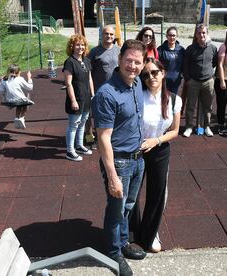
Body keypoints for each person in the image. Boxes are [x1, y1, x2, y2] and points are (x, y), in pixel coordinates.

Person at [91, 39, 147, 276]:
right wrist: (112, 175)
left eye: (137, 62)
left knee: (129, 206)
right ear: (119, 59)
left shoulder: (137, 84)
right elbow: (103, 138)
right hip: (120, 162)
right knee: (116, 210)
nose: (132, 66)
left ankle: (123, 243)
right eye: (128, 61)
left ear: (143, 65)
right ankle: (113, 253)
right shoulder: (107, 93)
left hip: (138, 158)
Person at [130, 58, 181, 253]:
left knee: (157, 193)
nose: (150, 77)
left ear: (163, 73)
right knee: (132, 193)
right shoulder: (138, 96)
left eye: (154, 73)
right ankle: (132, 233)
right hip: (137, 148)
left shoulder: (174, 99)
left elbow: (175, 130)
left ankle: (151, 232)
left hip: (159, 149)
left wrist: (156, 141)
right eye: (146, 75)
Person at [86, 25, 120, 149]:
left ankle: (111, 138)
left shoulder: (119, 50)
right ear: (102, 35)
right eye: (107, 34)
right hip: (99, 90)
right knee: (98, 116)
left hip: (116, 89)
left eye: (111, 34)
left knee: (114, 115)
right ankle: (95, 138)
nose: (109, 36)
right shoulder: (95, 52)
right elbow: (87, 69)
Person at [182, 23, 218, 137]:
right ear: (196, 35)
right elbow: (185, 65)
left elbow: (215, 62)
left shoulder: (213, 48)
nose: (201, 35)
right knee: (190, 106)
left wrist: (209, 74)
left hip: (208, 81)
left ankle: (207, 126)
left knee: (208, 106)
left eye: (204, 32)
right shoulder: (190, 49)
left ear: (207, 34)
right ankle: (189, 127)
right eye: (199, 33)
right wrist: (188, 79)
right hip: (193, 82)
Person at [63, 34, 94, 162]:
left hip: (86, 98)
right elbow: (68, 83)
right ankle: (70, 151)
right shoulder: (69, 62)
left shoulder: (86, 60)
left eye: (82, 45)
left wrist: (93, 95)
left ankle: (79, 145)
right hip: (76, 99)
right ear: (72, 46)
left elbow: (90, 78)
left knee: (82, 123)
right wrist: (73, 100)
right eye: (77, 45)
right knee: (73, 125)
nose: (80, 47)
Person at [0, 64, 34, 129]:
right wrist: (29, 77)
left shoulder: (4, 80)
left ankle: (17, 118)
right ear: (16, 72)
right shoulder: (20, 79)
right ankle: (22, 118)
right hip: (20, 100)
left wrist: (1, 83)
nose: (20, 73)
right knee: (25, 103)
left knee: (19, 104)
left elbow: (1, 91)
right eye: (20, 72)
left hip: (9, 101)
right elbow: (30, 88)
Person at [157, 26, 185, 94]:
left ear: (177, 36)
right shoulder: (160, 49)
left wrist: (181, 76)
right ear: (166, 36)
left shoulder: (181, 50)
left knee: (173, 101)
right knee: (163, 100)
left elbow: (184, 64)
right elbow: (157, 65)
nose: (171, 37)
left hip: (176, 81)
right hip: (163, 81)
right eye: (169, 35)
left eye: (173, 35)